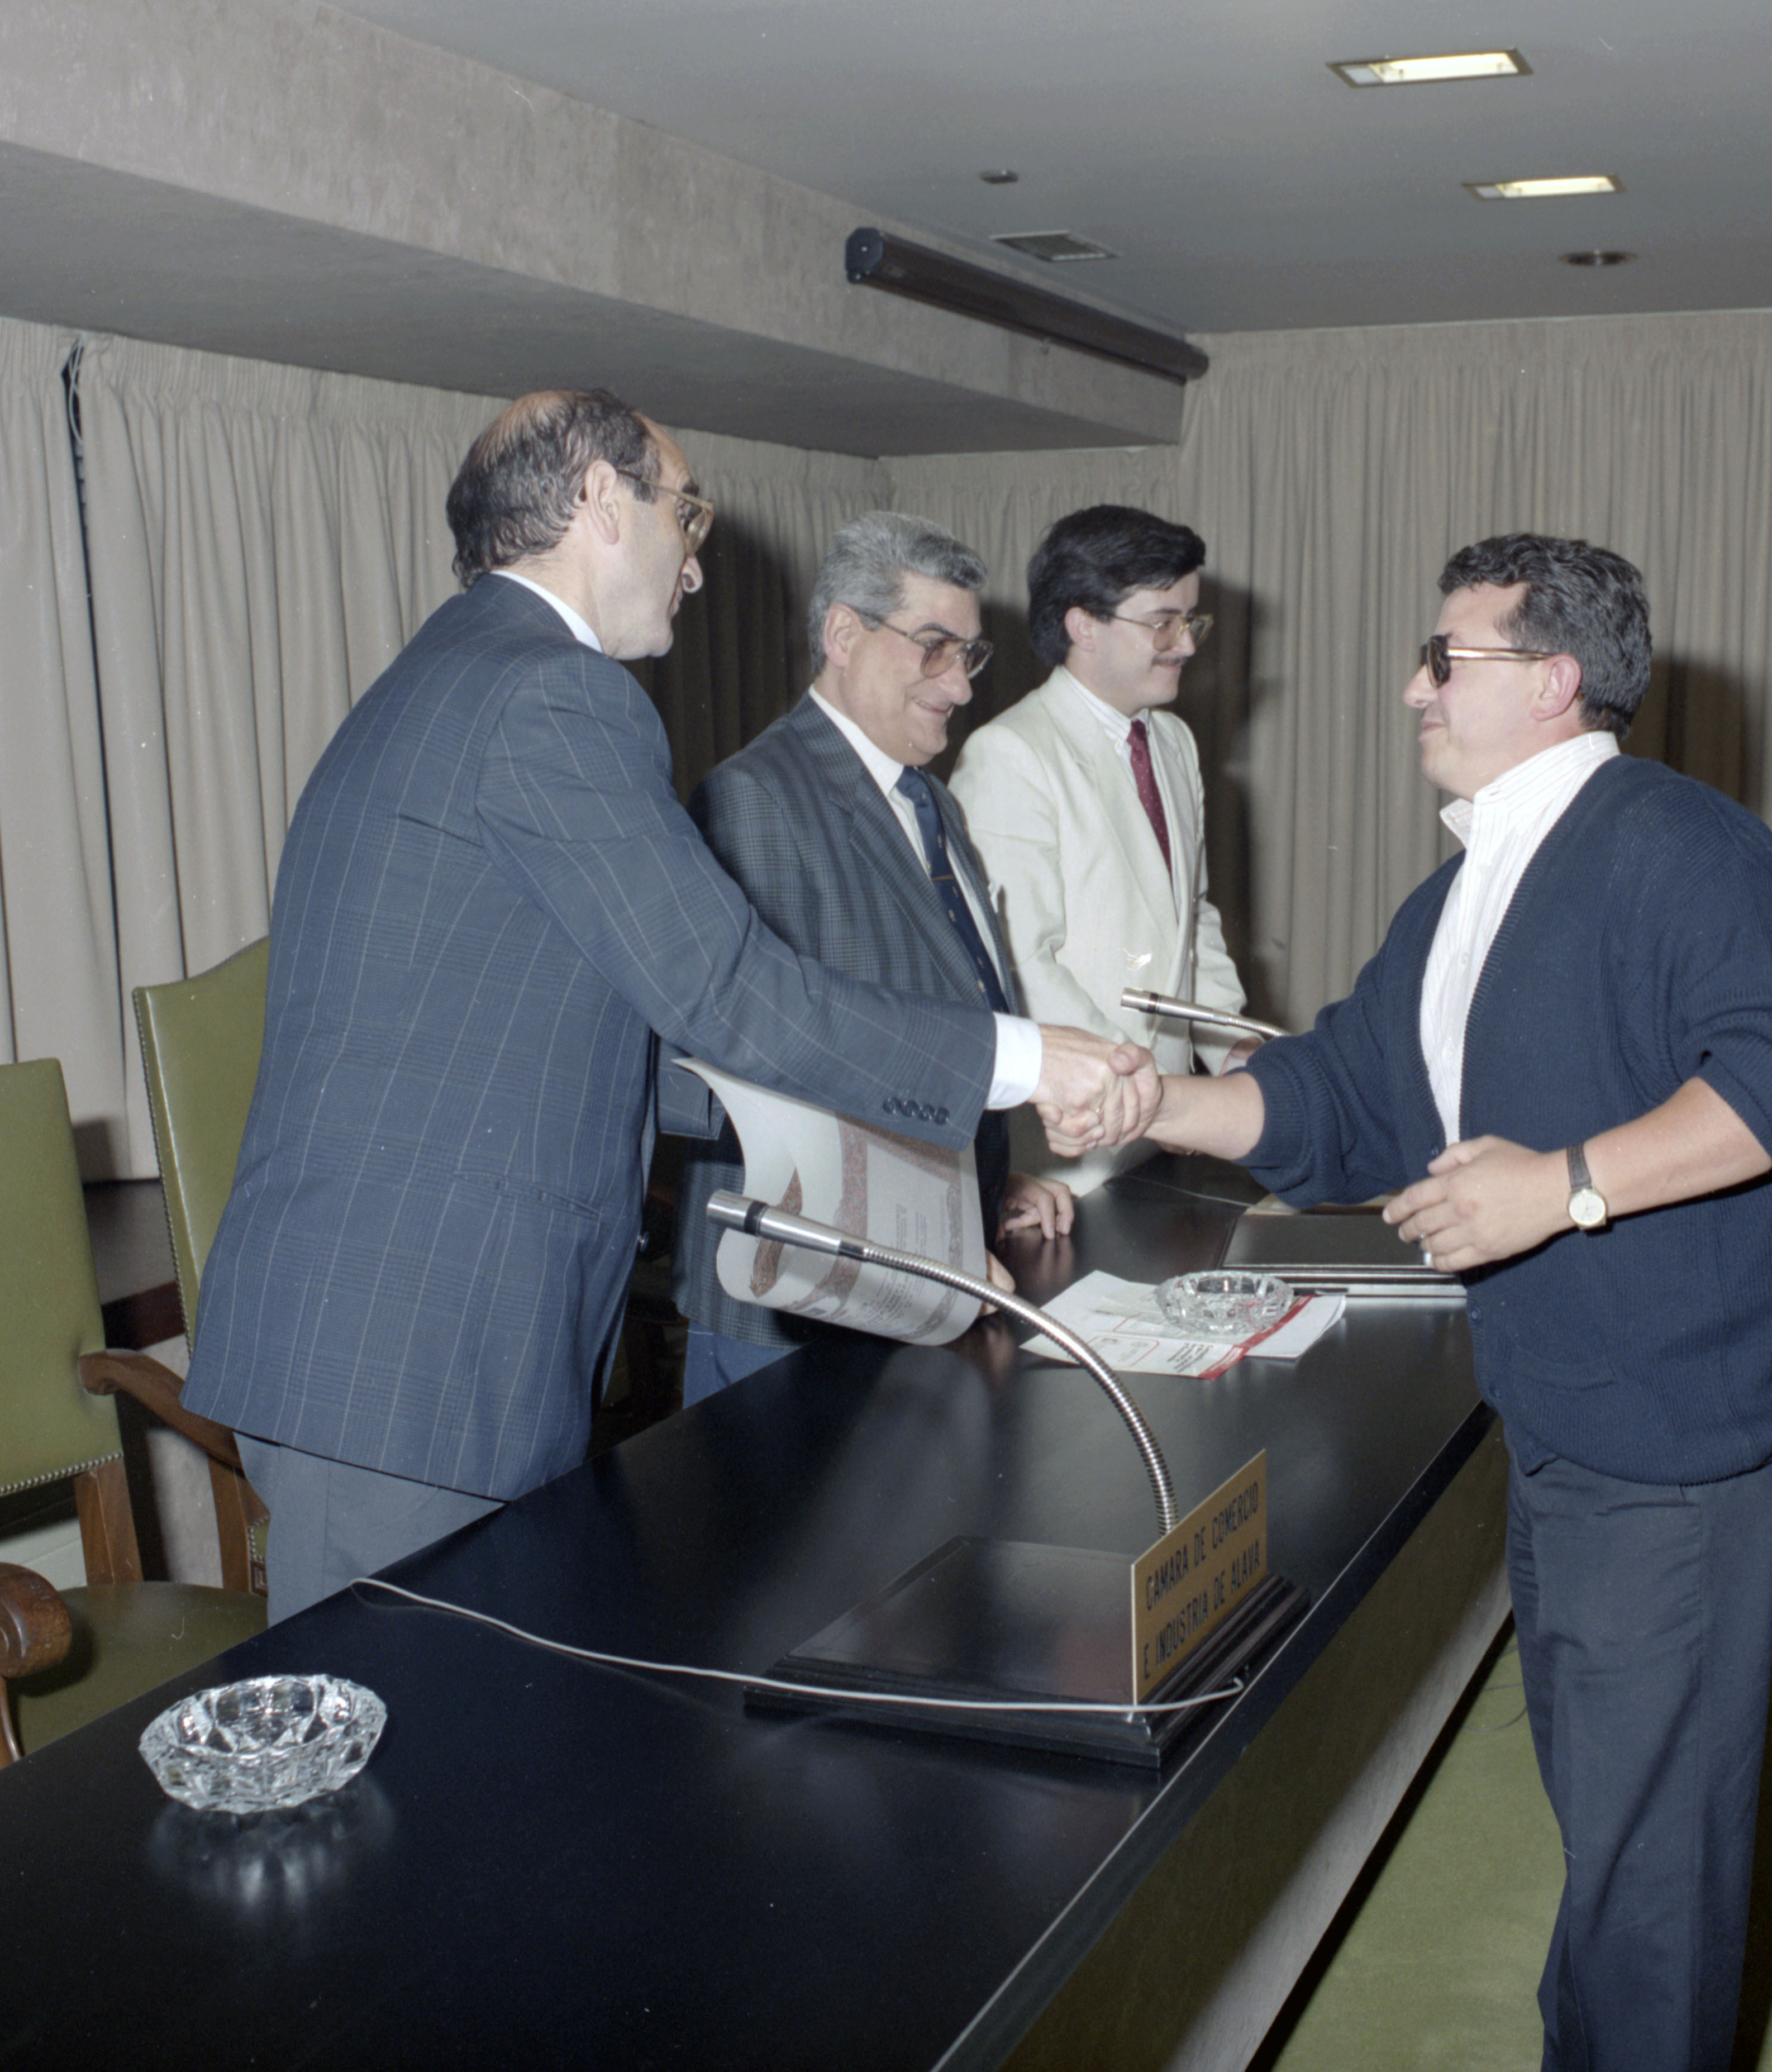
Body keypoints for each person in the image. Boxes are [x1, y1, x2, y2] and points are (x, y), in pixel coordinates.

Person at [183, 392, 1155, 1619]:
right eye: (684, 514)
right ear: (600, 501)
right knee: (402, 1726)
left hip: (387, 1336)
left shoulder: (455, 671)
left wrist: (872, 1155)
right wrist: (1020, 1061)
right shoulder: (554, 692)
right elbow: (725, 989)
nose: (694, 565)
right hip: (411, 1352)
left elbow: (574, 1036)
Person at [1141, 536, 1772, 2072]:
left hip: (1683, 1438)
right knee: (1613, 1816)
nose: (1411, 686)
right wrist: (1149, 1099)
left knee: (1651, 1867)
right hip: (1566, 1418)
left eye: (1444, 658)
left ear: (1552, 680)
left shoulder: (1676, 841)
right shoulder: (1464, 889)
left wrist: (1564, 1186)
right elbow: (1339, 1095)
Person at [670, 512, 1076, 1404]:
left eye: (969, 655)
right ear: (843, 635)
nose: (960, 686)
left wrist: (983, 1183)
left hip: (916, 1279)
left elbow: (924, 1029)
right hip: (796, 1309)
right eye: (934, 648)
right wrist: (928, 1243)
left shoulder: (931, 802)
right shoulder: (755, 797)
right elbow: (779, 1069)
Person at [951, 504, 1247, 1190]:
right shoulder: (1010, 753)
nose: (1186, 645)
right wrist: (1139, 1088)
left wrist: (1234, 1048)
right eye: (1163, 622)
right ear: (1083, 624)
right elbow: (1021, 963)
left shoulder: (1173, 742)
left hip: (1164, 1126)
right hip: (1073, 1150)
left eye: (1191, 620)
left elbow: (1190, 922)